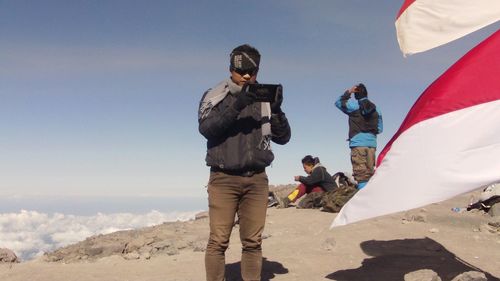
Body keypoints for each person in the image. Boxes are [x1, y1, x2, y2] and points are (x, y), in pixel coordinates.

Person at [198, 44, 291, 281]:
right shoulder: (214, 96)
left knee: (253, 242)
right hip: (223, 179)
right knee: (218, 241)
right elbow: (208, 129)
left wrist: (278, 110)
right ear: (231, 69)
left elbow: (284, 138)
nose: (248, 76)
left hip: (257, 180)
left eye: (253, 70)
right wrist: (238, 102)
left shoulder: (263, 99)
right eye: (242, 71)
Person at [335, 83, 383, 189]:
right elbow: (380, 129)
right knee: (370, 174)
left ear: (356, 95)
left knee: (361, 176)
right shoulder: (377, 109)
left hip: (358, 144)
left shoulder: (353, 106)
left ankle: (363, 202)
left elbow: (338, 103)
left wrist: (348, 93)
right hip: (371, 144)